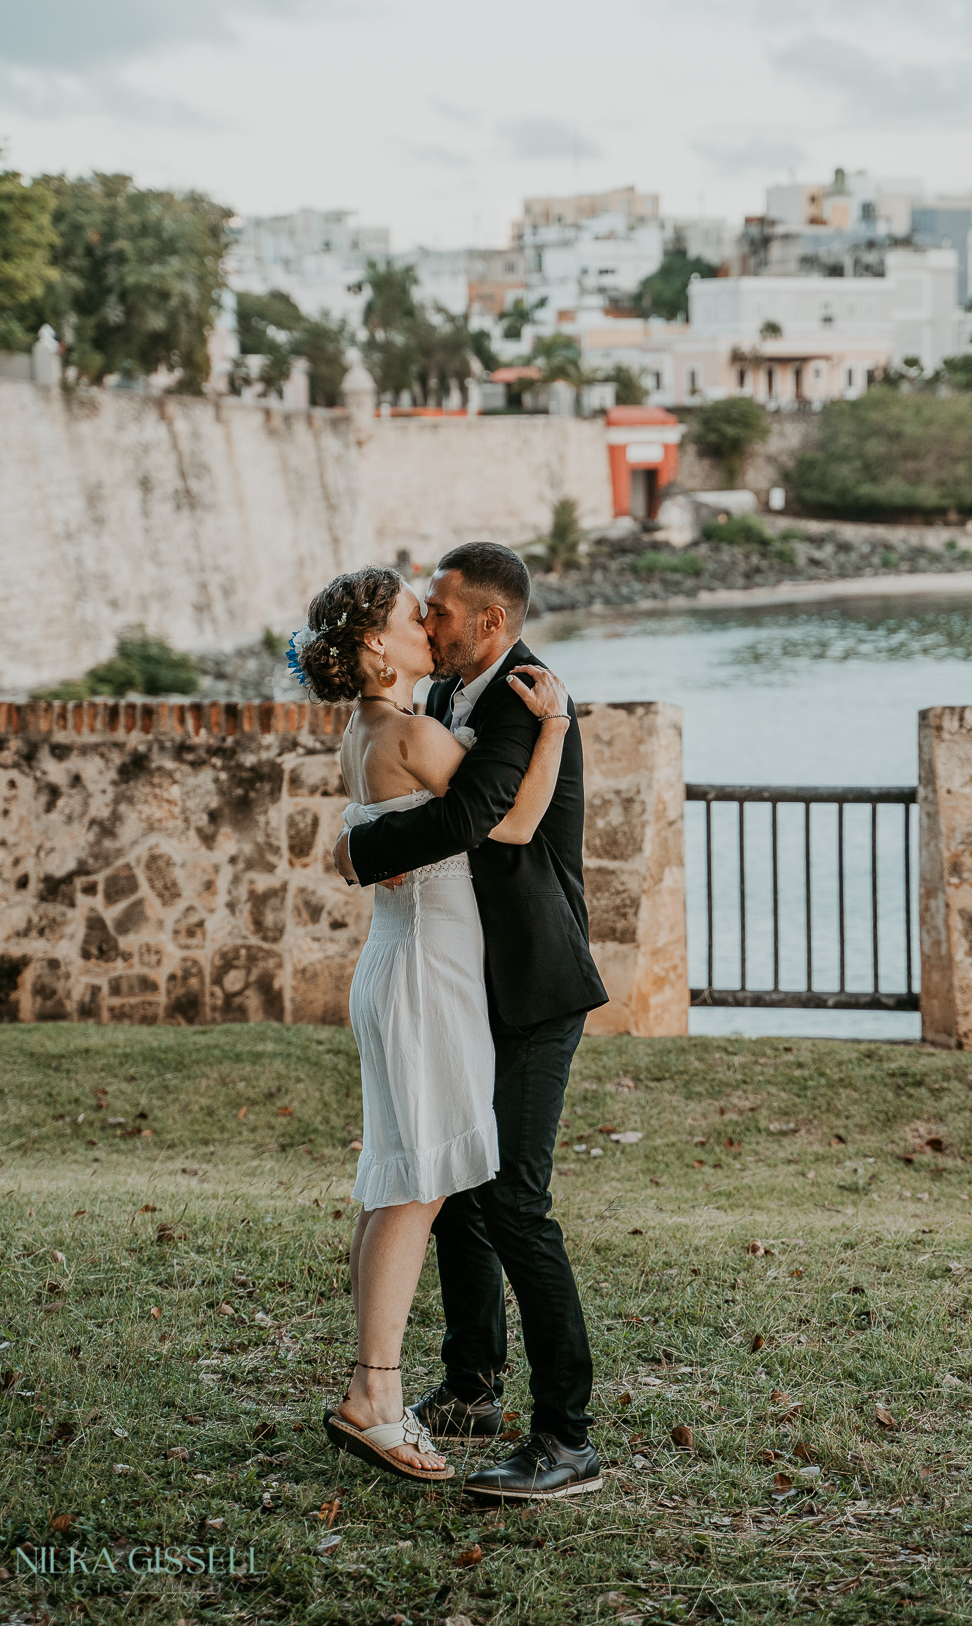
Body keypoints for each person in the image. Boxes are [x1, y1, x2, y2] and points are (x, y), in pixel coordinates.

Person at [334, 541, 608, 1502]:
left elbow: (482, 821)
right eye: (422, 612)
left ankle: (567, 1438)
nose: (431, 620)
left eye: (441, 610)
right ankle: (472, 1383)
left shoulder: (527, 697)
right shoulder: (439, 697)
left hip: (530, 991)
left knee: (513, 1202)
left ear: (490, 623)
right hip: (459, 982)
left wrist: (362, 848)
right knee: (453, 1184)